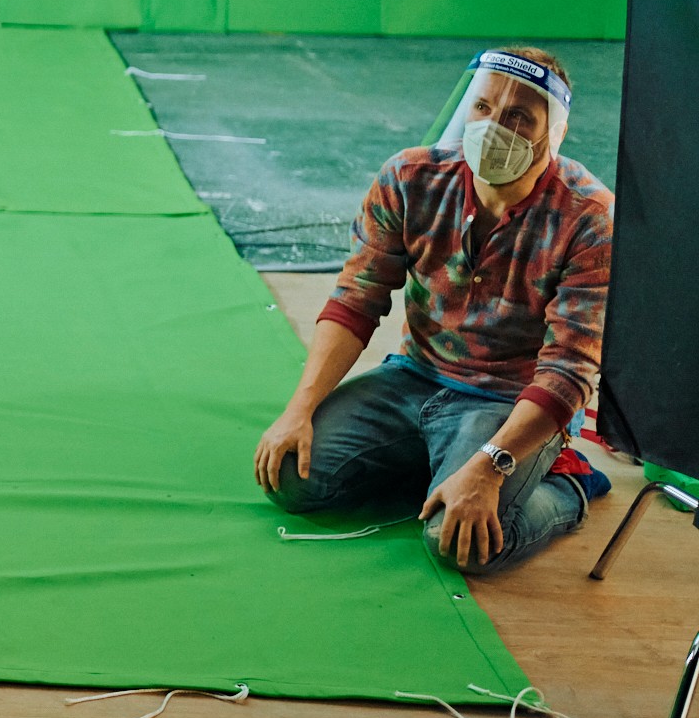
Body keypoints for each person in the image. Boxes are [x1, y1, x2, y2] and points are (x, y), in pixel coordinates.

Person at [254, 46, 613, 574]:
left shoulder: (590, 218)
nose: (494, 127)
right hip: (414, 377)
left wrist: (491, 465)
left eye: (519, 116)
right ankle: (439, 462)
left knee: (460, 542)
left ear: (555, 134)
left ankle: (567, 482)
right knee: (289, 477)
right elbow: (356, 298)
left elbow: (571, 368)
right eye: (483, 107)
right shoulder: (409, 178)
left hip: (511, 402)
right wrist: (299, 409)